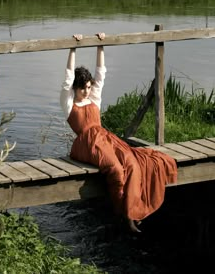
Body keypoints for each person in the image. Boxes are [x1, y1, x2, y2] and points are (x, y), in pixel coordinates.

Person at [60, 33, 177, 233]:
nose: (87, 91)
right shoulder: (69, 103)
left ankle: (133, 209)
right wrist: (73, 47)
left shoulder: (94, 98)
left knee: (132, 162)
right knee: (115, 168)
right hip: (86, 143)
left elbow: (101, 73)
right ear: (75, 89)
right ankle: (125, 213)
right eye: (82, 89)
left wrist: (101, 44)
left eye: (88, 87)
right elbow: (68, 77)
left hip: (105, 137)